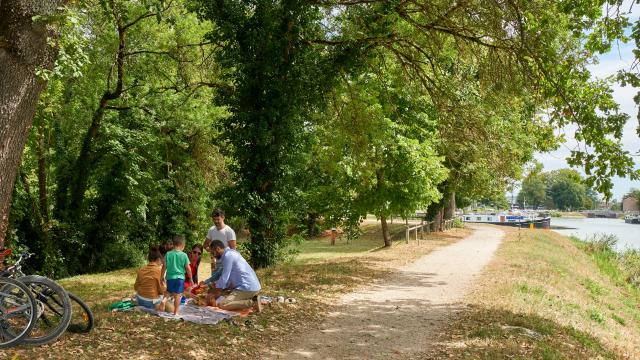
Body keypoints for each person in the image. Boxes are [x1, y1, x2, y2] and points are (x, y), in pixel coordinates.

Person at [200, 240, 262, 312]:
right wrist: (206, 282)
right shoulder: (230, 253)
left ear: (218, 249)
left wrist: (215, 291)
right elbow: (219, 273)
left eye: (213, 253)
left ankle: (252, 302)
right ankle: (252, 298)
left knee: (222, 304)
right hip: (252, 286)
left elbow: (224, 278)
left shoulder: (228, 256)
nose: (213, 255)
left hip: (247, 288)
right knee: (224, 294)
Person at [203, 209, 236, 281]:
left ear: (223, 217)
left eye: (218, 219)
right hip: (216, 263)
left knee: (222, 285)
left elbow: (233, 250)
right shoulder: (211, 230)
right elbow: (205, 245)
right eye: (214, 219)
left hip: (226, 263)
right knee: (213, 284)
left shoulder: (229, 231)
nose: (216, 222)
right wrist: (213, 253)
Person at [164, 235, 192, 315]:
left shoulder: (168, 254)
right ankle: (176, 312)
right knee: (177, 295)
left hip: (169, 277)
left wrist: (161, 276)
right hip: (180, 278)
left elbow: (164, 266)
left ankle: (163, 301)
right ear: (183, 245)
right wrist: (190, 278)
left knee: (168, 292)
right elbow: (188, 268)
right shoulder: (184, 255)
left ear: (173, 244)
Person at [134, 246, 168, 311]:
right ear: (158, 259)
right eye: (161, 261)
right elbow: (161, 291)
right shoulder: (159, 271)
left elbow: (135, 287)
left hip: (140, 300)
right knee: (166, 298)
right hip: (152, 302)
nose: (161, 263)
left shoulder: (141, 270)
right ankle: (158, 307)